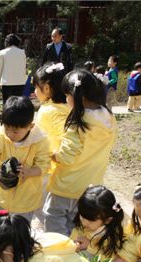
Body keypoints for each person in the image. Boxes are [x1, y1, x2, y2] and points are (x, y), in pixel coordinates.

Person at [44, 69, 117, 236]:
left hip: (67, 186)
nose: (66, 100)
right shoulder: (109, 118)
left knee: (54, 218)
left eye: (67, 95)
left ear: (78, 97)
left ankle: (60, 253)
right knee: (79, 225)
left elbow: (66, 157)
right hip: (92, 185)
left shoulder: (78, 123)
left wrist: (50, 153)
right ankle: (75, 255)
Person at [0, 96, 50, 220]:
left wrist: (30, 172)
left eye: (15, 132)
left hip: (26, 199)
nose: (10, 135)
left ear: (30, 126)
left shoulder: (40, 141)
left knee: (20, 233)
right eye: (7, 129)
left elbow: (44, 166)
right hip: (0, 195)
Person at [32, 62, 71, 224]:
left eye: (36, 87)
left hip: (50, 170)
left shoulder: (47, 111)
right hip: (68, 170)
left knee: (45, 214)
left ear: (47, 88)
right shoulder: (70, 107)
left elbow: (39, 139)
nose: (34, 92)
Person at [70, 185, 126, 262]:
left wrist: (88, 247)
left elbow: (108, 260)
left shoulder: (110, 236)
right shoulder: (85, 223)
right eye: (82, 216)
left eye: (91, 221)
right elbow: (75, 234)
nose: (84, 222)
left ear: (107, 220)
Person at [0, 33, 28, 103]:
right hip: (19, 82)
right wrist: (25, 79)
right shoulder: (22, 52)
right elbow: (25, 67)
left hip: (6, 83)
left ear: (7, 42)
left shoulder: (2, 52)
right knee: (18, 104)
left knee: (7, 103)